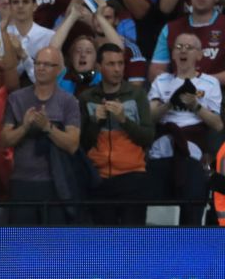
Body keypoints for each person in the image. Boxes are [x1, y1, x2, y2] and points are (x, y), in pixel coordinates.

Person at [147, 32, 223, 225]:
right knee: (156, 213)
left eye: (189, 48)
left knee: (192, 209)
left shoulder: (210, 83)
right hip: (161, 151)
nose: (183, 51)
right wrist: (169, 104)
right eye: (179, 47)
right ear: (172, 54)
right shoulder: (161, 81)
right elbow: (149, 117)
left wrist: (195, 105)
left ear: (199, 55)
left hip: (192, 153)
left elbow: (217, 124)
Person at [0, 46, 81, 225]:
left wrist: (47, 127)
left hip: (55, 185)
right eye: (38, 63)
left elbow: (72, 144)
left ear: (58, 69)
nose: (41, 68)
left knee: (53, 246)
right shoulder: (17, 98)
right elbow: (4, 141)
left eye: (47, 64)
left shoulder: (69, 101)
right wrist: (25, 127)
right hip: (21, 182)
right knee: (20, 242)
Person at [79, 43, 155, 226]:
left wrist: (124, 120)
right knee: (103, 241)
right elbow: (83, 143)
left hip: (133, 177)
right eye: (111, 64)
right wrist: (94, 122)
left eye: (120, 64)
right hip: (99, 178)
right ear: (99, 67)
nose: (117, 69)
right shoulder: (87, 98)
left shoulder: (137, 95)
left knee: (132, 241)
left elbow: (148, 136)